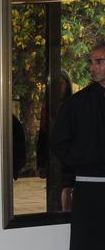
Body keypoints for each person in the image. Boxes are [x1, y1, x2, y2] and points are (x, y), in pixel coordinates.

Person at [51, 42, 105, 250]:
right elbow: (60, 143)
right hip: (91, 186)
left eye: (100, 62)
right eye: (92, 62)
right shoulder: (77, 103)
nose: (94, 67)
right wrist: (86, 160)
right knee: (88, 249)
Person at [37, 70, 75, 210]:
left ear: (67, 85)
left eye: (60, 84)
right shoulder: (47, 108)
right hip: (52, 158)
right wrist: (40, 162)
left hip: (68, 160)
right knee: (54, 197)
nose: (57, 88)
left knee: (67, 192)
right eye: (53, 84)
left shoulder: (74, 105)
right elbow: (43, 136)